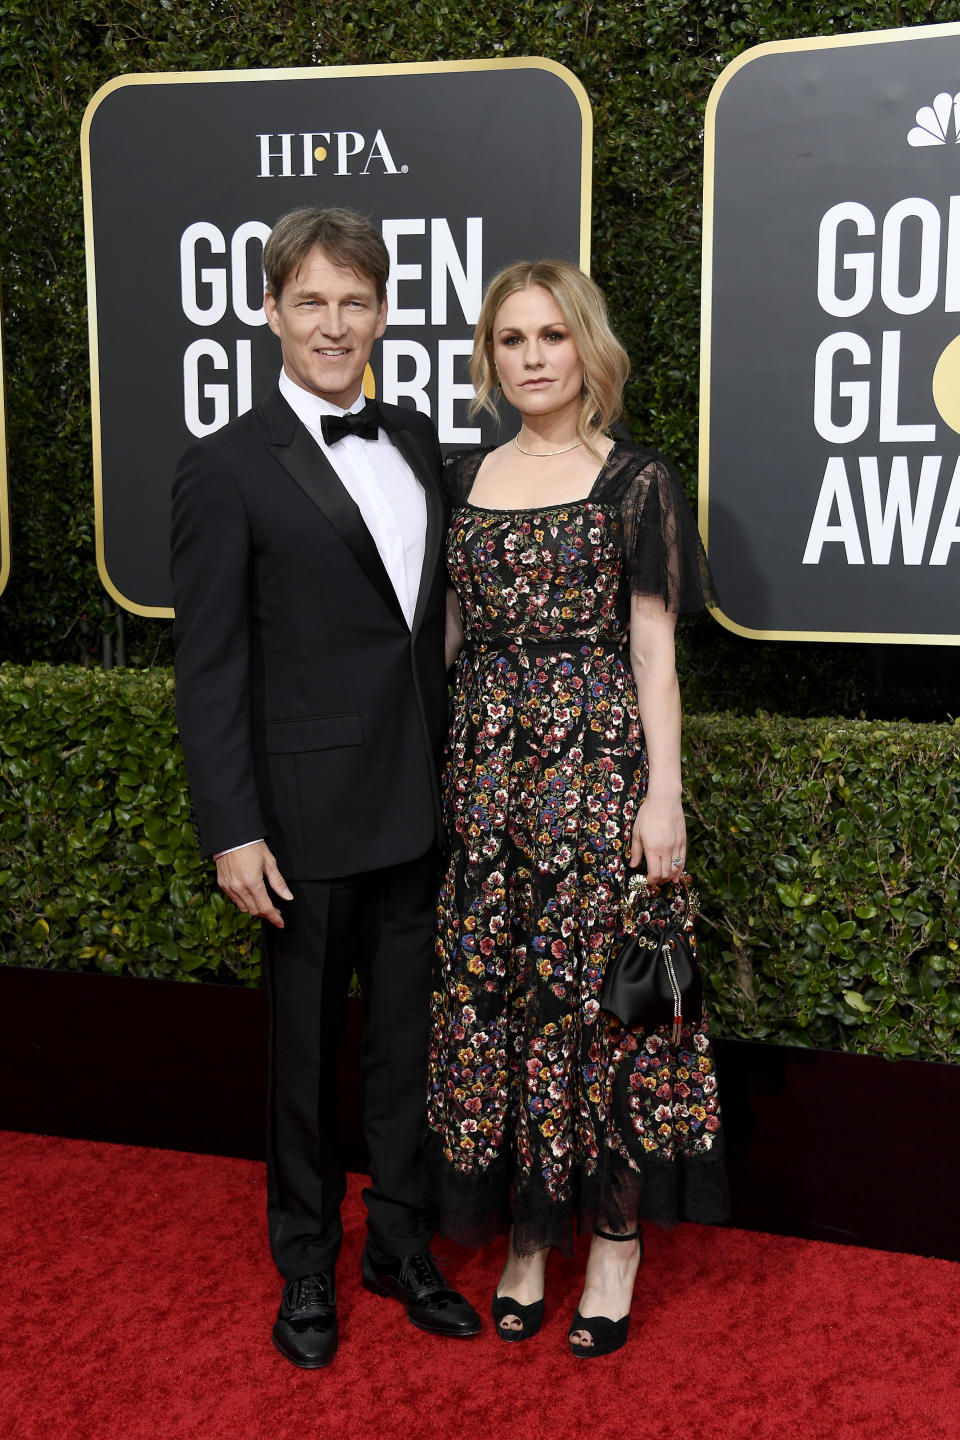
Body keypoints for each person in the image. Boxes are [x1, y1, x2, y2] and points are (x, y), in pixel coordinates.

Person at [171, 206, 480, 1369]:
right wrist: (231, 825)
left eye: (355, 302)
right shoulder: (224, 466)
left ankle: (397, 1247)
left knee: (407, 1046)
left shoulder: (412, 438)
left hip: (420, 807)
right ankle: (304, 1265)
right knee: (301, 1060)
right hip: (299, 822)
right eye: (311, 301)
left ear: (384, 314)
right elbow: (208, 665)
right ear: (270, 313)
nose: (334, 324)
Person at [427, 260, 728, 1358]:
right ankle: (524, 1236)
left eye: (552, 335)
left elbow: (654, 651)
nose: (534, 357)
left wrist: (665, 798)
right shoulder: (461, 476)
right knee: (500, 1004)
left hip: (597, 778)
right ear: (490, 356)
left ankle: (610, 1242)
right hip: (485, 782)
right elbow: (447, 639)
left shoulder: (635, 478)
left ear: (586, 346)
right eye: (512, 339)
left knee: (601, 1015)